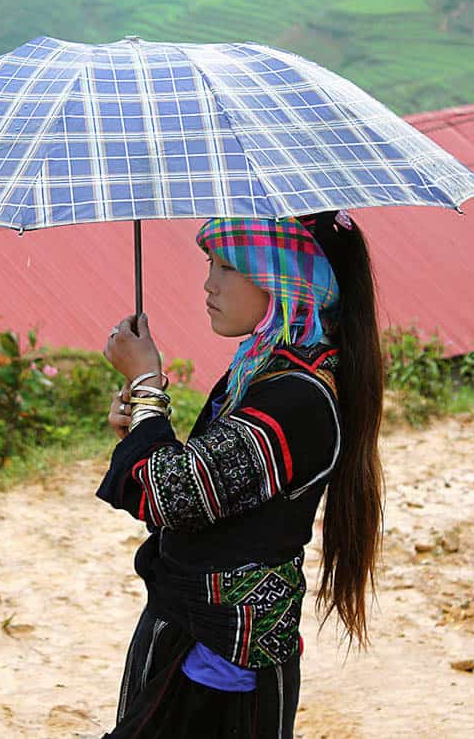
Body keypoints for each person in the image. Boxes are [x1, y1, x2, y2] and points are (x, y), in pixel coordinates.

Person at [98, 211, 384, 738]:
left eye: (228, 266)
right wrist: (141, 420)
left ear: (286, 276)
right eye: (211, 263)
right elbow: (214, 488)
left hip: (222, 660)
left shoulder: (298, 394)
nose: (208, 283)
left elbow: (178, 494)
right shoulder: (267, 367)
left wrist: (145, 383)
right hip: (201, 636)